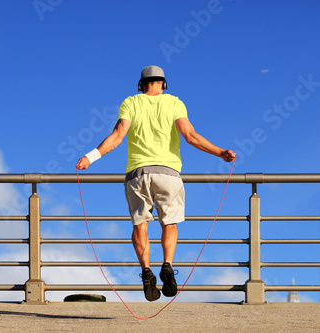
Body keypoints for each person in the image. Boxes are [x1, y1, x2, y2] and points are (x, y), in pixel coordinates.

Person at [76, 65, 236, 301]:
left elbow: (118, 135)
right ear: (163, 84)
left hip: (137, 174)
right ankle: (168, 265)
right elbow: (190, 136)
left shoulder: (130, 102)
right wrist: (221, 152)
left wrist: (90, 157)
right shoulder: (174, 103)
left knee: (140, 225)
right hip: (168, 174)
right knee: (169, 224)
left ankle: (146, 271)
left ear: (141, 85)